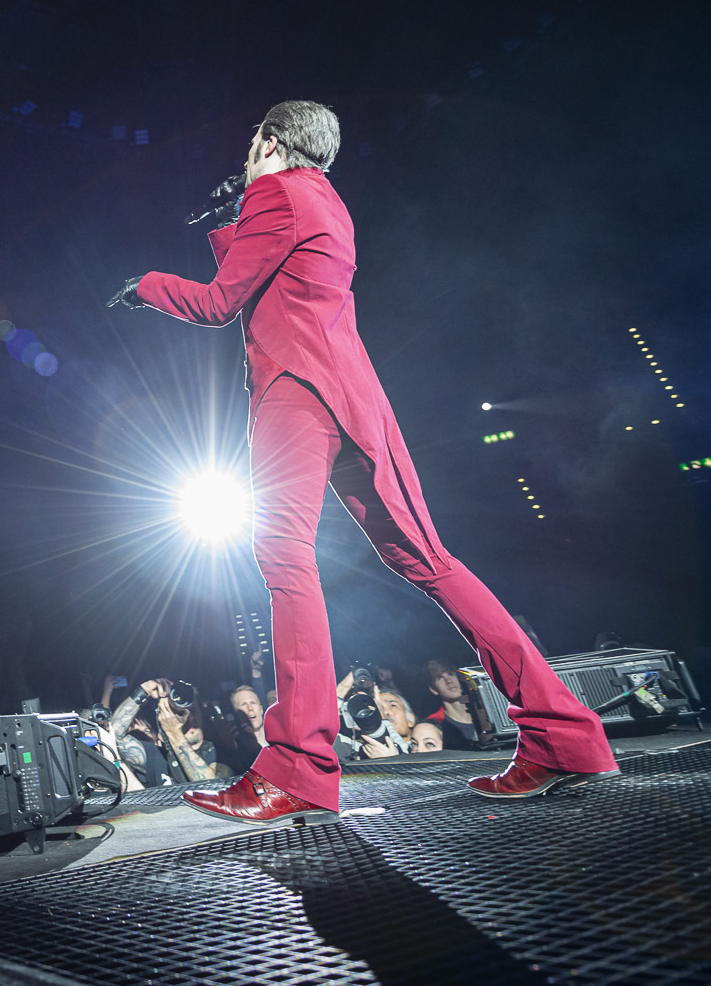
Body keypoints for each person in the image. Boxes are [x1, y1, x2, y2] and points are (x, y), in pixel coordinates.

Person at [109, 100, 618, 824]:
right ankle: (563, 734)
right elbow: (282, 282)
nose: (245, 157)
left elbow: (222, 303)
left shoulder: (276, 194)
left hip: (297, 390)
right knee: (429, 560)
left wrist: (145, 285)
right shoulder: (325, 200)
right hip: (356, 399)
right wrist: (237, 221)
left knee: (284, 554)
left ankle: (298, 766)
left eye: (252, 145)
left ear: (271, 141)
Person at [422, 659, 486, 749]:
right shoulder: (434, 724)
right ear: (433, 689)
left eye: (451, 674)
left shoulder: (485, 715)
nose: (449, 681)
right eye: (440, 678)